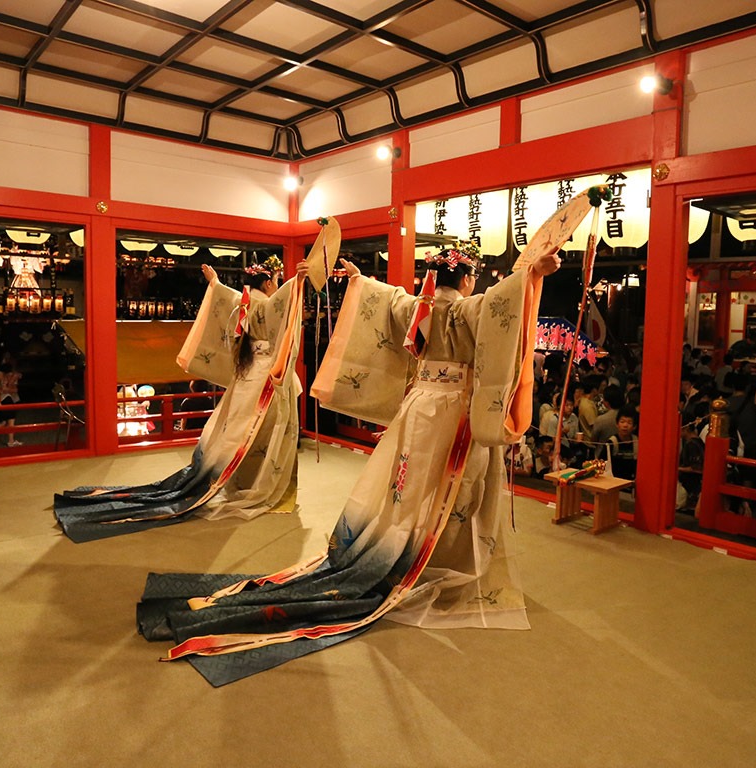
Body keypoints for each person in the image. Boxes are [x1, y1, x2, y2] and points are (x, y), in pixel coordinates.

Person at [136, 230, 567, 686]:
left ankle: (402, 546)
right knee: (453, 491)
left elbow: (384, 299)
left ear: (435, 275)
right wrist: (533, 273)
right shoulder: (465, 308)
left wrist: (359, 280)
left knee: (406, 488)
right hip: (454, 410)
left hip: (418, 404)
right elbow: (507, 307)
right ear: (465, 280)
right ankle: (439, 564)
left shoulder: (414, 307)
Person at [54, 257, 310, 542]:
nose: (276, 284)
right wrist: (297, 282)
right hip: (266, 378)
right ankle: (256, 484)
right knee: (263, 433)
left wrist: (215, 283)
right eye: (274, 279)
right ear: (267, 282)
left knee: (240, 431)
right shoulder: (265, 302)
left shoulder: (245, 301)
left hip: (248, 377)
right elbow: (285, 305)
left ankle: (240, 481)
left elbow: (227, 298)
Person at [0, 363, 22, 448]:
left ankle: (11, 441)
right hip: (5, 399)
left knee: (6, 422)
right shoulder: (2, 377)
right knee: (8, 422)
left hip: (5, 399)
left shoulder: (2, 377)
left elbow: (11, 389)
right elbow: (2, 390)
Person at [604, 406, 638, 480]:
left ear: (634, 426)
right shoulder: (612, 442)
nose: (625, 425)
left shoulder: (636, 442)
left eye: (629, 422)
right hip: (614, 482)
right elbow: (603, 463)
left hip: (631, 482)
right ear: (617, 424)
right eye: (622, 422)